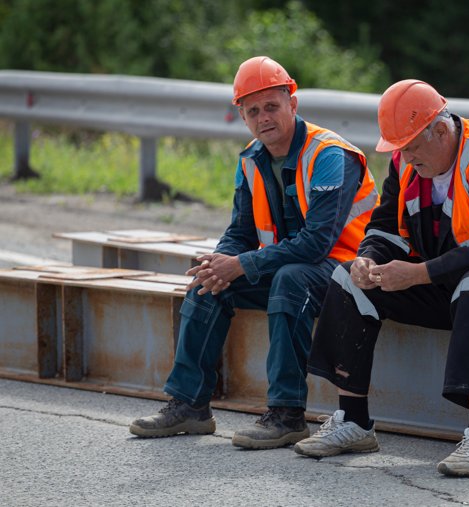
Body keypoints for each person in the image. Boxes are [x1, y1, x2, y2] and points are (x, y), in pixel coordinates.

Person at [293, 79, 469, 476]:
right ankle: (353, 420)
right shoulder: (405, 161)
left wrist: (419, 274)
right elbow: (384, 228)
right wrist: (367, 258)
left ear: (441, 130)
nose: (407, 158)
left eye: (412, 147)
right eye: (400, 149)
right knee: (347, 279)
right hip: (453, 281)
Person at [129, 56, 378, 449]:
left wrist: (242, 264)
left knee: (289, 280)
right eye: (253, 111)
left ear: (292, 104)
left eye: (272, 107)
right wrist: (219, 263)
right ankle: (190, 405)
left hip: (348, 271)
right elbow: (240, 231)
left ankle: (287, 415)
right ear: (243, 117)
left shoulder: (330, 155)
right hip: (291, 265)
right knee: (207, 284)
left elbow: (316, 244)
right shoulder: (251, 158)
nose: (264, 118)